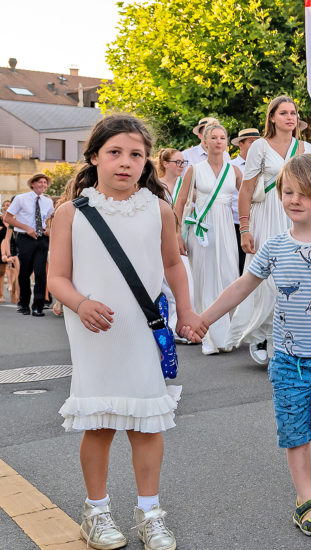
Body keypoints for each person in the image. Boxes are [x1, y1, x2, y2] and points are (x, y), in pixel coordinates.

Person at [47, 114, 206, 550]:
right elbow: (56, 278)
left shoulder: (158, 209)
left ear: (145, 162)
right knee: (98, 423)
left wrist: (187, 311)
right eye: (114, 152)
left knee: (146, 423)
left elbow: (173, 264)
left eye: (135, 154)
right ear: (95, 156)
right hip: (93, 331)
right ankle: (96, 511)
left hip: (141, 327)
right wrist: (80, 303)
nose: (125, 162)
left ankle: (149, 513)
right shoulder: (70, 213)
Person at [201, 154, 311, 537]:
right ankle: (304, 498)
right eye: (288, 192)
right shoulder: (274, 247)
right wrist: (205, 319)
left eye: (305, 195)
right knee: (295, 431)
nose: (294, 200)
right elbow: (242, 286)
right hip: (289, 362)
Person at [232, 97, 311, 365]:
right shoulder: (260, 146)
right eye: (283, 113)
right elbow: (246, 190)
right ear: (272, 118)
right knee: (265, 279)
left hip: (297, 215)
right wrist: (245, 229)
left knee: (295, 279)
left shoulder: (307, 148)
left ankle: (286, 339)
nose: (289, 117)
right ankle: (259, 335)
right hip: (266, 215)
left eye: (293, 113)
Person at [174, 123, 243, 355]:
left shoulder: (234, 171)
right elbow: (181, 202)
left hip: (226, 228)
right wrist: (177, 234)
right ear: (205, 142)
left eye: (223, 137)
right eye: (213, 137)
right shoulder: (195, 169)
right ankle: (208, 338)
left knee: (228, 275)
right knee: (204, 280)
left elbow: (250, 196)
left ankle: (227, 335)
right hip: (201, 230)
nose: (219, 141)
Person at [156, 148, 196, 341]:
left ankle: (180, 325)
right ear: (165, 164)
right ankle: (173, 326)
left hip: (182, 238)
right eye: (177, 162)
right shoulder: (156, 185)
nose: (181, 166)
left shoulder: (185, 183)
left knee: (183, 283)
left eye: (183, 162)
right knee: (166, 288)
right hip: (159, 239)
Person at [3, 173, 55, 316]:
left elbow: (50, 218)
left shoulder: (48, 202)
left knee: (40, 273)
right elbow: (8, 218)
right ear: (32, 184)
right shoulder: (21, 199)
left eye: (45, 183)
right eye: (40, 182)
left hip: (42, 240)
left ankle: (38, 306)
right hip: (25, 238)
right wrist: (26, 227)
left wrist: (49, 229)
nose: (43, 185)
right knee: (25, 272)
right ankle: (24, 304)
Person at [230, 128, 262, 273]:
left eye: (257, 142)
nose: (255, 145)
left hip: (258, 219)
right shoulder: (232, 167)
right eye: (251, 142)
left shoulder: (263, 164)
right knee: (239, 261)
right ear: (240, 144)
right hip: (235, 222)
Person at [1, 200, 18, 304]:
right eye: (6, 205)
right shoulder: (1, 219)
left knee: (15, 271)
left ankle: (14, 290)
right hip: (4, 246)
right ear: (3, 207)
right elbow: (4, 239)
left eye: (9, 205)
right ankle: (3, 293)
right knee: (3, 272)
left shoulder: (15, 219)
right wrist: (4, 253)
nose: (8, 207)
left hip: (15, 246)